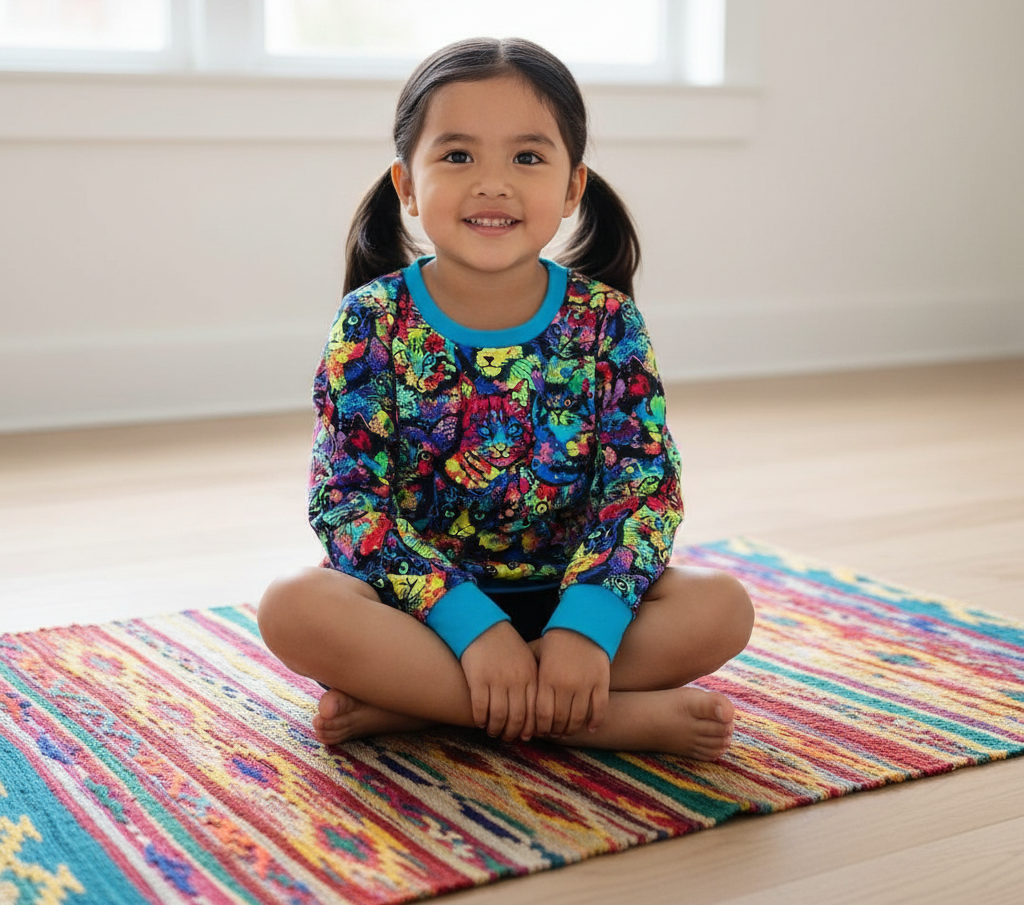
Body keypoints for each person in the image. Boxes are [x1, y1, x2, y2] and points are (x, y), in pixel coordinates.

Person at [257, 37, 754, 758]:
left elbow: (641, 488)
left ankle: (425, 704)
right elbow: (347, 502)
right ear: (406, 183)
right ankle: (600, 719)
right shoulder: (371, 320)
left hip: (577, 600)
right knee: (292, 608)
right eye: (457, 156)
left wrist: (588, 623)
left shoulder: (607, 322)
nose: (493, 183)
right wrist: (470, 624)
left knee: (722, 608)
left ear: (574, 186)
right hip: (422, 612)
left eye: (527, 157)